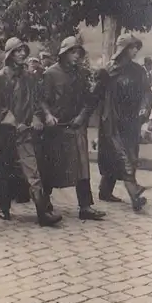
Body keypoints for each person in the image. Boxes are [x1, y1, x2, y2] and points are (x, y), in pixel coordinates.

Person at [0, 37, 62, 226]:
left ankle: (42, 213)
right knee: (4, 171)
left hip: (25, 134)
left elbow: (37, 101)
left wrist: (38, 117)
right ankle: (4, 208)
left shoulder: (30, 78)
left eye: (23, 50)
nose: (21, 53)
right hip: (5, 134)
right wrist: (13, 122)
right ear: (9, 54)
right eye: (17, 51)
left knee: (33, 171)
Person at [41, 36, 106, 221]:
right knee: (52, 167)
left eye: (79, 52)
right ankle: (44, 205)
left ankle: (85, 206)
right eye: (72, 52)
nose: (76, 56)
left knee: (82, 166)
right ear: (63, 53)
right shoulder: (50, 74)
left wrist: (81, 117)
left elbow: (89, 100)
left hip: (77, 126)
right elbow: (43, 101)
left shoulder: (83, 74)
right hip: (56, 129)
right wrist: (47, 115)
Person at [93, 34, 151, 211]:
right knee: (123, 156)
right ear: (123, 49)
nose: (135, 51)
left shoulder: (138, 71)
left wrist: (144, 108)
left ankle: (105, 190)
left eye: (136, 48)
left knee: (126, 155)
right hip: (112, 119)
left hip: (131, 120)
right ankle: (135, 195)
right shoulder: (109, 70)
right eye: (132, 47)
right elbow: (96, 95)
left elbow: (147, 92)